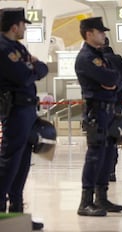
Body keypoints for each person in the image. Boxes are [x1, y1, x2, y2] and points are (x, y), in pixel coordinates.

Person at [0, 7, 48, 230]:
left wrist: (32, 67)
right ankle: (1, 213)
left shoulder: (17, 48)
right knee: (10, 162)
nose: (25, 29)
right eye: (23, 25)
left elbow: (40, 68)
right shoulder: (4, 49)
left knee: (23, 163)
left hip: (27, 110)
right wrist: (32, 67)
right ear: (14, 26)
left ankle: (16, 215)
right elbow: (23, 75)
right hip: (15, 110)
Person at [75, 17, 122, 216]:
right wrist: (111, 79)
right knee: (95, 155)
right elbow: (111, 77)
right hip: (97, 111)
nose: (104, 35)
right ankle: (86, 201)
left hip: (109, 110)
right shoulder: (86, 58)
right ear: (89, 34)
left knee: (108, 154)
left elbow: (118, 78)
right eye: (100, 32)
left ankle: (101, 197)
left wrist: (111, 80)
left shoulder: (100, 56)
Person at [101, 37, 122, 182]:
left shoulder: (99, 60)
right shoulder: (118, 59)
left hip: (102, 104)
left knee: (101, 138)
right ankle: (111, 171)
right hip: (116, 104)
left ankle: (104, 171)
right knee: (113, 138)